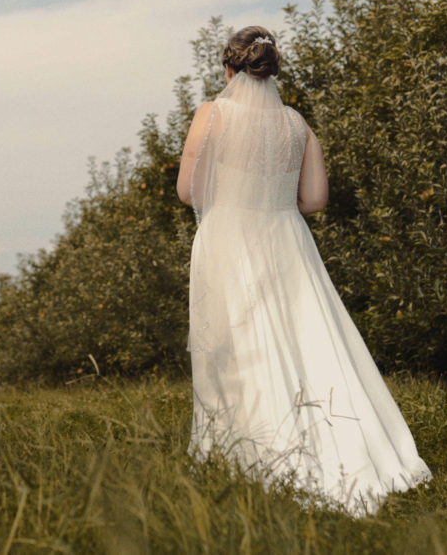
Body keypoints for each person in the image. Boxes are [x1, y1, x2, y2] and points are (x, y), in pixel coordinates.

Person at [175, 25, 431, 516]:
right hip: (287, 240)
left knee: (238, 346)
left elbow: (188, 192)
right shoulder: (297, 124)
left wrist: (234, 194)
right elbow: (314, 200)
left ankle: (241, 454)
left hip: (229, 239)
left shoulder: (211, 114)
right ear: (270, 70)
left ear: (228, 69)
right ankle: (347, 444)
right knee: (309, 340)